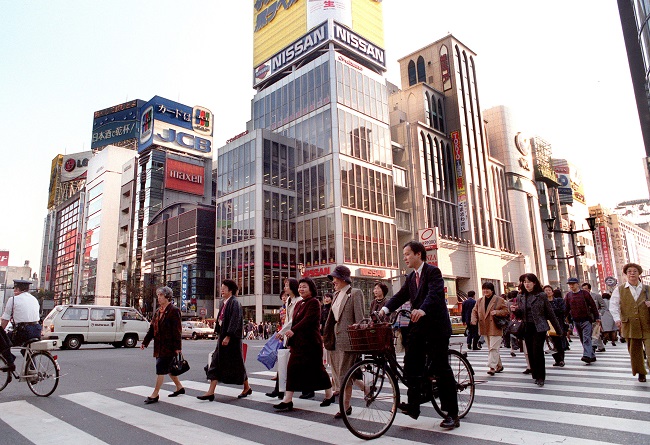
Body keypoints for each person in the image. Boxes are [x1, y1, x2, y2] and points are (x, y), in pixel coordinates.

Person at [380, 240, 460, 429]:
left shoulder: (433, 272)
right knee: (410, 363)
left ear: (418, 254)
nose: (405, 258)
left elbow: (434, 294)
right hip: (419, 327)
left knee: (441, 368)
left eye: (407, 254)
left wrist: (422, 310)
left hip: (436, 327)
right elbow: (400, 296)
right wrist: (384, 309)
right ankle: (414, 406)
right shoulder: (410, 277)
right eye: (404, 254)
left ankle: (452, 413)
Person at [273, 278, 334, 412]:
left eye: (304, 287)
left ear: (311, 289)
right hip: (299, 344)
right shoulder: (300, 303)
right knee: (292, 369)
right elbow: (293, 321)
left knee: (318, 370)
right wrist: (286, 334)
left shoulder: (314, 303)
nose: (301, 289)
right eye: (300, 287)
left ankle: (329, 395)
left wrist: (292, 330)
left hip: (312, 343)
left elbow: (307, 321)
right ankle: (288, 399)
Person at [322, 265, 365, 418]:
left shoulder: (355, 293)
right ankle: (365, 389)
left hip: (348, 340)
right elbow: (332, 319)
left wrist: (358, 337)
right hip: (334, 340)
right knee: (340, 373)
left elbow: (360, 318)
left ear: (343, 278)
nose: (333, 281)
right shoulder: (335, 295)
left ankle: (345, 407)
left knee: (343, 375)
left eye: (335, 278)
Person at [198, 279, 251, 400]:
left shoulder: (235, 302)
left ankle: (247, 387)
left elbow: (235, 320)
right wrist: (218, 333)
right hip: (223, 336)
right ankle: (210, 392)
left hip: (232, 339)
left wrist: (228, 336)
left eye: (224, 288)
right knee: (216, 362)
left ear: (230, 290)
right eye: (221, 288)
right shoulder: (224, 303)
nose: (221, 290)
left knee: (237, 364)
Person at [515, 274, 562, 387]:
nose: (526, 284)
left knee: (537, 352)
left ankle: (541, 376)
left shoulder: (541, 295)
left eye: (529, 282)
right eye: (524, 282)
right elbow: (520, 314)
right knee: (530, 352)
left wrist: (558, 329)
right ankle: (535, 374)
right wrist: (515, 311)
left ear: (534, 283)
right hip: (527, 327)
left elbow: (550, 313)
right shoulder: (521, 296)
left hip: (539, 327)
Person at [140, 286, 184, 404]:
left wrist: (178, 348)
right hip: (159, 345)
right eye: (158, 295)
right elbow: (152, 329)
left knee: (160, 369)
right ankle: (179, 387)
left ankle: (155, 394)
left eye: (161, 295)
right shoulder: (158, 311)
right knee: (168, 368)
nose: (158, 298)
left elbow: (177, 331)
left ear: (167, 297)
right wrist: (145, 342)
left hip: (169, 346)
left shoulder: (174, 310)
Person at [609, 262, 650, 382]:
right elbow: (613, 305)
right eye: (629, 272)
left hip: (647, 324)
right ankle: (640, 372)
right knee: (635, 351)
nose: (632, 273)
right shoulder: (620, 289)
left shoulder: (647, 288)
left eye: (635, 271)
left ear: (639, 274)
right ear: (626, 274)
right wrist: (617, 319)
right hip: (630, 324)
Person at [0, 279, 41, 374]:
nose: (14, 291)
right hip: (37, 330)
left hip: (23, 331)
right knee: (25, 348)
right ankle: (32, 371)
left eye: (15, 289)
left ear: (17, 289)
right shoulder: (34, 299)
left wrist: (1, 332)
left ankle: (10, 363)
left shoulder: (13, 300)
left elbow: (5, 319)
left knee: (2, 341)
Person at [471, 282, 508, 375]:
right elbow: (474, 311)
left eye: (487, 289)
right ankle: (499, 365)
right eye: (484, 289)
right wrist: (474, 320)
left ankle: (492, 367)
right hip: (484, 327)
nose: (485, 291)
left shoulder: (499, 300)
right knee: (491, 348)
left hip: (495, 327)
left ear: (492, 290)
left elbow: (506, 311)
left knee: (493, 348)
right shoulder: (479, 301)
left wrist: (497, 312)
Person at [564, 277, 600, 364]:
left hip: (586, 320)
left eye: (573, 284)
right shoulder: (568, 295)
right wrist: (563, 318)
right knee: (582, 338)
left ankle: (586, 355)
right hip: (576, 320)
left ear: (577, 284)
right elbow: (566, 308)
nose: (571, 286)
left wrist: (597, 317)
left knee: (586, 338)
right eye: (570, 284)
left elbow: (593, 306)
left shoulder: (585, 294)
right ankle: (592, 355)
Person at [546, 287, 567, 367]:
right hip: (548, 324)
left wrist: (551, 312)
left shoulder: (559, 301)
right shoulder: (543, 302)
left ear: (552, 292)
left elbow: (562, 310)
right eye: (546, 291)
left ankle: (561, 359)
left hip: (558, 323)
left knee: (559, 342)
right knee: (551, 343)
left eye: (549, 290)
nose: (548, 292)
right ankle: (557, 359)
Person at [583, 283, 606, 352]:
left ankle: (593, 345)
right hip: (586, 317)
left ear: (589, 289)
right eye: (583, 289)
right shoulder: (581, 297)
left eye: (586, 289)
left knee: (595, 331)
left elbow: (603, 306)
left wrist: (600, 313)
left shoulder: (596, 296)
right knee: (594, 332)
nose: (584, 290)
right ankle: (601, 347)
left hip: (596, 316)